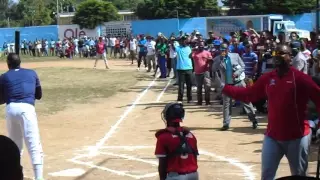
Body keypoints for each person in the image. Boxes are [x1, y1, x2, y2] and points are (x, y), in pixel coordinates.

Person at [218, 44, 320, 179]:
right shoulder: (267, 78)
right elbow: (249, 94)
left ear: (290, 57)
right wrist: (225, 88)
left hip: (297, 137)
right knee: (266, 175)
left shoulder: (301, 78)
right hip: (272, 136)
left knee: (299, 176)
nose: (278, 56)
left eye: (282, 53)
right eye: (275, 53)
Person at [0, 53, 44, 180]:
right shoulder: (32, 73)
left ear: (8, 64)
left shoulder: (4, 76)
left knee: (15, 145)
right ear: (20, 62)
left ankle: (13, 174)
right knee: (34, 145)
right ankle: (39, 177)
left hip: (11, 109)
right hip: (27, 109)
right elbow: (39, 95)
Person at [212, 42, 258, 130]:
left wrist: (237, 73)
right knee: (226, 104)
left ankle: (254, 120)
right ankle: (226, 124)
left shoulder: (235, 56)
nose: (223, 52)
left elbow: (243, 66)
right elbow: (214, 69)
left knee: (246, 102)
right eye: (221, 50)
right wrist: (219, 60)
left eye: (225, 50)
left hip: (238, 82)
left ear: (228, 49)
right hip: (227, 84)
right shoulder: (217, 59)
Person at [155, 103, 199, 180]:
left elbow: (162, 164)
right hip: (194, 175)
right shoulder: (191, 135)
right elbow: (194, 157)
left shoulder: (163, 137)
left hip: (176, 176)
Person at [192, 41, 212, 105]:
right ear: (198, 46)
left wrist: (209, 61)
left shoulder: (207, 53)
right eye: (200, 45)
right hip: (197, 73)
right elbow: (190, 56)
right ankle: (199, 101)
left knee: (207, 87)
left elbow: (211, 60)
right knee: (199, 88)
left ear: (204, 46)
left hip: (206, 72)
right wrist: (193, 50)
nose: (201, 46)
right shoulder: (195, 53)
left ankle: (207, 101)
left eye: (202, 45)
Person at [174, 36, 193, 103]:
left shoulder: (189, 48)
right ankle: (180, 99)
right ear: (180, 42)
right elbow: (173, 45)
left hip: (189, 69)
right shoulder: (178, 48)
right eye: (182, 40)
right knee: (181, 85)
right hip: (181, 69)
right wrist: (175, 40)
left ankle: (189, 98)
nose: (184, 41)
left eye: (185, 40)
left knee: (189, 85)